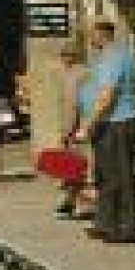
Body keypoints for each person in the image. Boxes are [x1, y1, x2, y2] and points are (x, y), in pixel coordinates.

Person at [72, 18, 135, 243]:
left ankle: (130, 227)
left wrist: (86, 126)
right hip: (114, 121)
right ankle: (105, 222)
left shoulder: (112, 58)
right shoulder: (121, 56)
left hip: (117, 121)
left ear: (101, 34)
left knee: (120, 175)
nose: (89, 39)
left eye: (91, 34)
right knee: (106, 175)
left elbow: (106, 96)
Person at [53, 44, 96, 219]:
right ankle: (71, 201)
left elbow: (73, 105)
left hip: (77, 128)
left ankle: (79, 204)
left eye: (66, 56)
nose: (64, 60)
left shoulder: (77, 75)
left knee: (76, 167)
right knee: (73, 166)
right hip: (78, 126)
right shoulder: (73, 74)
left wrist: (67, 131)